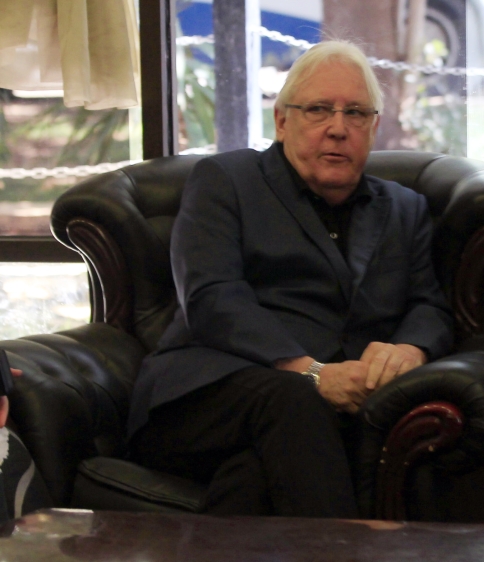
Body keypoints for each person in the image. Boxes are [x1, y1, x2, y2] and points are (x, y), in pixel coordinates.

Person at [125, 40, 454, 518]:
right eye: (319, 110)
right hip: (203, 397)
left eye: (356, 113)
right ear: (282, 120)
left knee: (254, 478)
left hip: (319, 419)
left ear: (375, 126)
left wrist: (409, 349)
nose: (338, 128)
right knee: (294, 402)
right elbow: (212, 298)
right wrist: (312, 373)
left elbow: (430, 306)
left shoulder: (405, 208)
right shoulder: (226, 181)